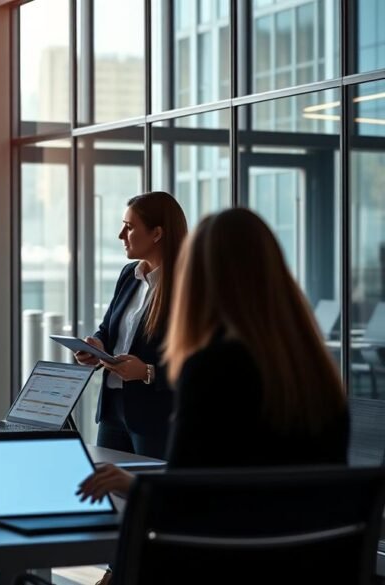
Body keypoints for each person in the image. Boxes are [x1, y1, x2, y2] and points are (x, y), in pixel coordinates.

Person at [77, 208, 349, 584]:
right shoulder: (318, 374)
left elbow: (185, 498)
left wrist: (132, 483)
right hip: (300, 569)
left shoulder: (212, 368)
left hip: (220, 564)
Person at [74, 191, 188, 459]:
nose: (120, 235)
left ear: (157, 233)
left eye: (129, 227)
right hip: (113, 411)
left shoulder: (187, 286)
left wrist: (148, 371)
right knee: (107, 482)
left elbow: (194, 360)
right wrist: (96, 346)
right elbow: (108, 329)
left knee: (150, 485)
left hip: (155, 418)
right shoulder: (129, 274)